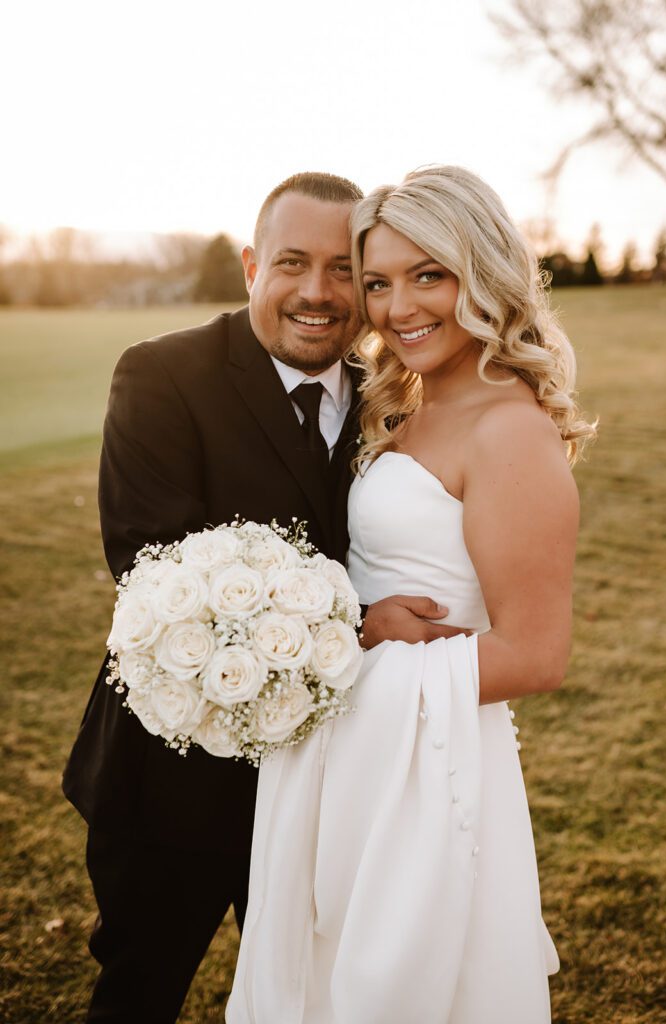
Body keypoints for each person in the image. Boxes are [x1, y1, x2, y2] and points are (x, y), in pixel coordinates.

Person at [62, 171, 457, 1024]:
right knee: (141, 984)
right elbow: (153, 570)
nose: (317, 293)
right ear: (251, 266)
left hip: (338, 773)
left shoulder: (390, 392)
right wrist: (358, 626)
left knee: (317, 998)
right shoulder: (163, 375)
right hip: (178, 776)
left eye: (344, 269)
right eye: (292, 262)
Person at [227, 166, 597, 1023]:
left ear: (485, 272)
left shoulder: (508, 429)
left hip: (425, 766)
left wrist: (354, 661)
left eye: (429, 274)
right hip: (357, 757)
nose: (398, 309)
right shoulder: (414, 404)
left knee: (402, 985)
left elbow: (537, 655)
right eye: (380, 282)